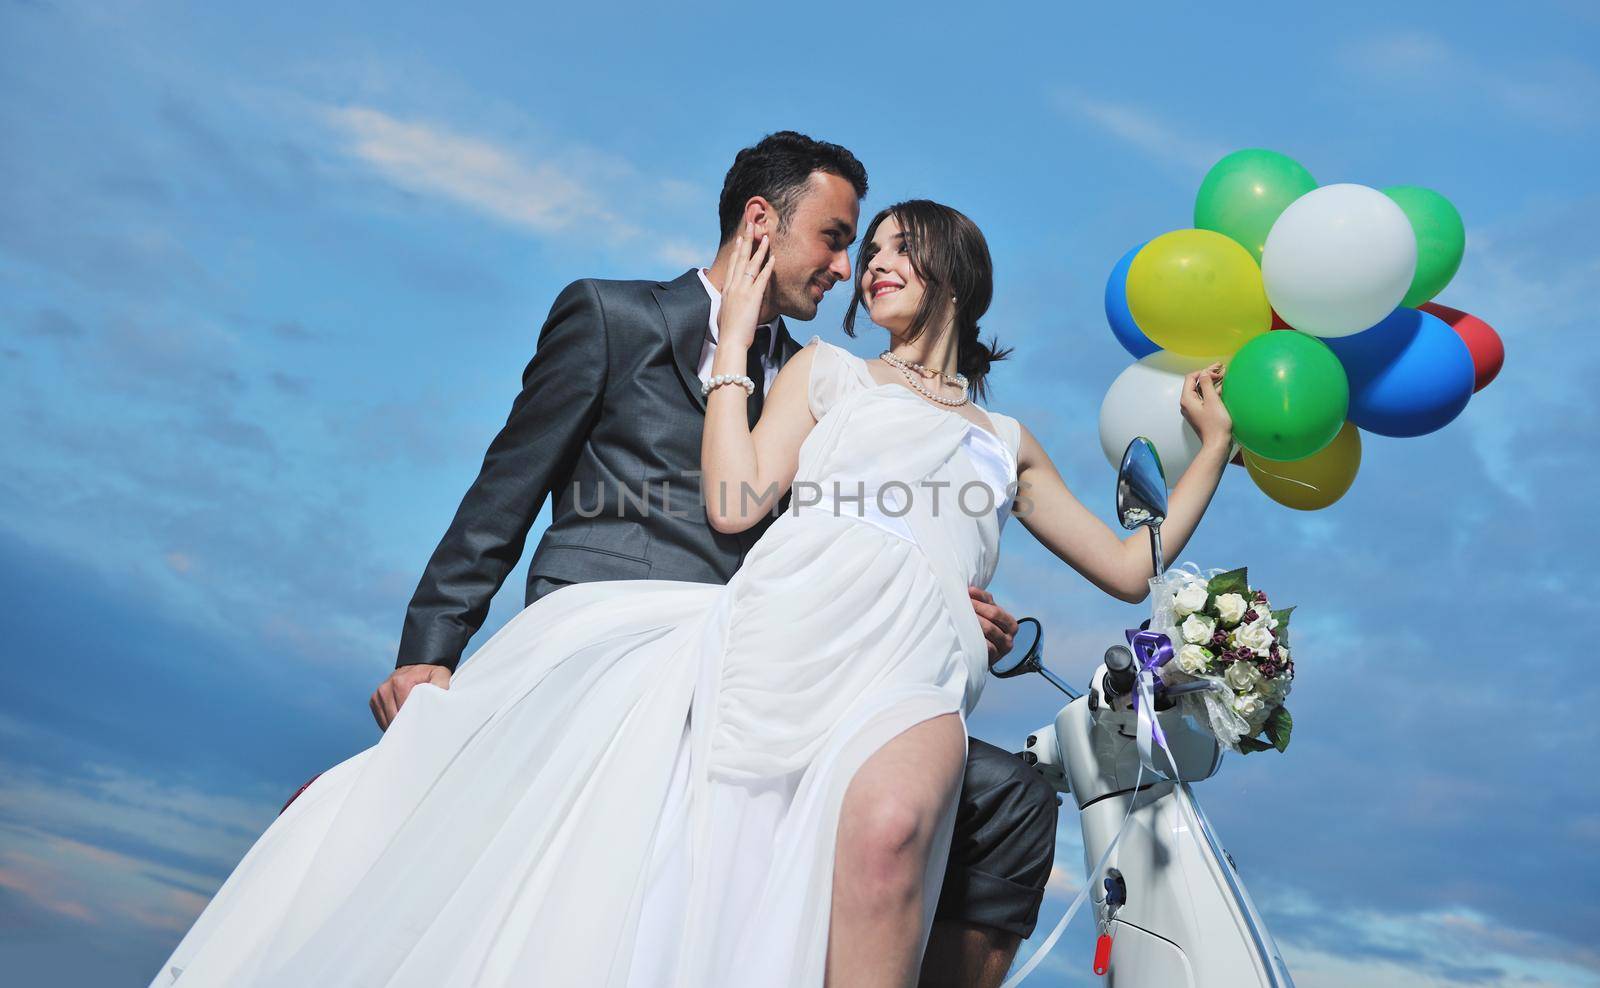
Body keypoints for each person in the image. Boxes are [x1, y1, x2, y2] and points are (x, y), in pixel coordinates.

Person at [149, 193, 1233, 988]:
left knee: (895, 826)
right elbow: (733, 497)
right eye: (865, 257)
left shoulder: (1008, 440)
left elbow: (1130, 564)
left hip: (914, 659)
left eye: (896, 248)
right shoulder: (825, 376)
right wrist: (728, 350)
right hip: (787, 630)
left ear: (954, 263)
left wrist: (1208, 448)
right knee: (727, 864)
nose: (870, 268)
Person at [376, 131, 1059, 985]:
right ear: (762, 223)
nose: (846, 269)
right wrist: (428, 655)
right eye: (836, 238)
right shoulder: (612, 317)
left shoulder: (826, 380)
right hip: (617, 640)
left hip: (779, 657)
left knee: (1013, 795)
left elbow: (851, 532)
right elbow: (504, 489)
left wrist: (946, 604)